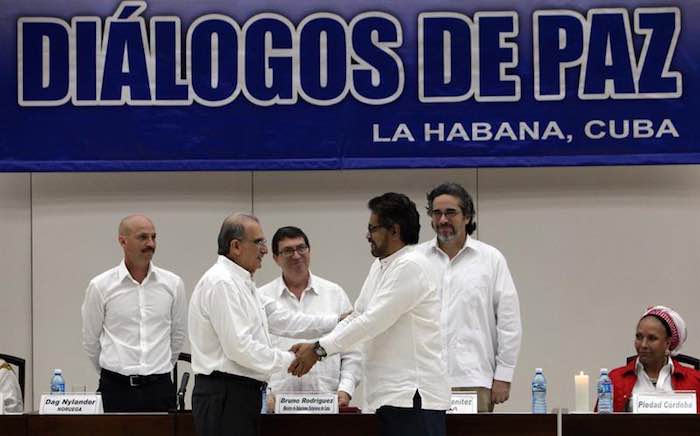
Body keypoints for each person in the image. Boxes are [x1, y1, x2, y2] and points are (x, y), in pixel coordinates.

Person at [289, 193, 450, 436]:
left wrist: (319, 350)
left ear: (394, 230)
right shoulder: (382, 265)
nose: (367, 236)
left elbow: (372, 322)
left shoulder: (411, 265)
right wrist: (316, 345)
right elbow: (357, 316)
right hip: (388, 396)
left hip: (413, 398)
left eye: (372, 228)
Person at [188, 213, 342, 436]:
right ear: (236, 246)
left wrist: (337, 321)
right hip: (226, 395)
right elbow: (240, 348)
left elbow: (283, 319)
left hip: (240, 395)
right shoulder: (222, 283)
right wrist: (294, 360)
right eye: (259, 242)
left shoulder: (242, 282)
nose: (265, 250)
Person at [417, 182, 522, 412]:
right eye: (437, 213)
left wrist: (503, 375)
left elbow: (509, 322)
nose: (443, 220)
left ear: (467, 217)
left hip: (473, 380)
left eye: (451, 212)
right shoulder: (415, 260)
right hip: (422, 383)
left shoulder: (490, 259)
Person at [81, 214, 187, 412]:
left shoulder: (173, 284)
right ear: (122, 241)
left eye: (154, 237)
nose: (151, 243)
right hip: (115, 389)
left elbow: (178, 335)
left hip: (160, 389)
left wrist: (157, 370)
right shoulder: (101, 286)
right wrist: (116, 371)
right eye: (143, 237)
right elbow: (90, 340)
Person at [259, 226, 361, 410]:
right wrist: (265, 396)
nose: (296, 255)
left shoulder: (335, 294)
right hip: (277, 409)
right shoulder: (261, 298)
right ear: (275, 258)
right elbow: (256, 355)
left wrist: (345, 389)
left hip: (327, 405)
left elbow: (353, 351)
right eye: (288, 250)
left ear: (310, 251)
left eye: (301, 248)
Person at [607, 305, 700, 412]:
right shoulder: (615, 380)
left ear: (667, 343)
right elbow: (601, 425)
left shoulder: (695, 381)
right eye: (639, 337)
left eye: (652, 338)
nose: (643, 344)